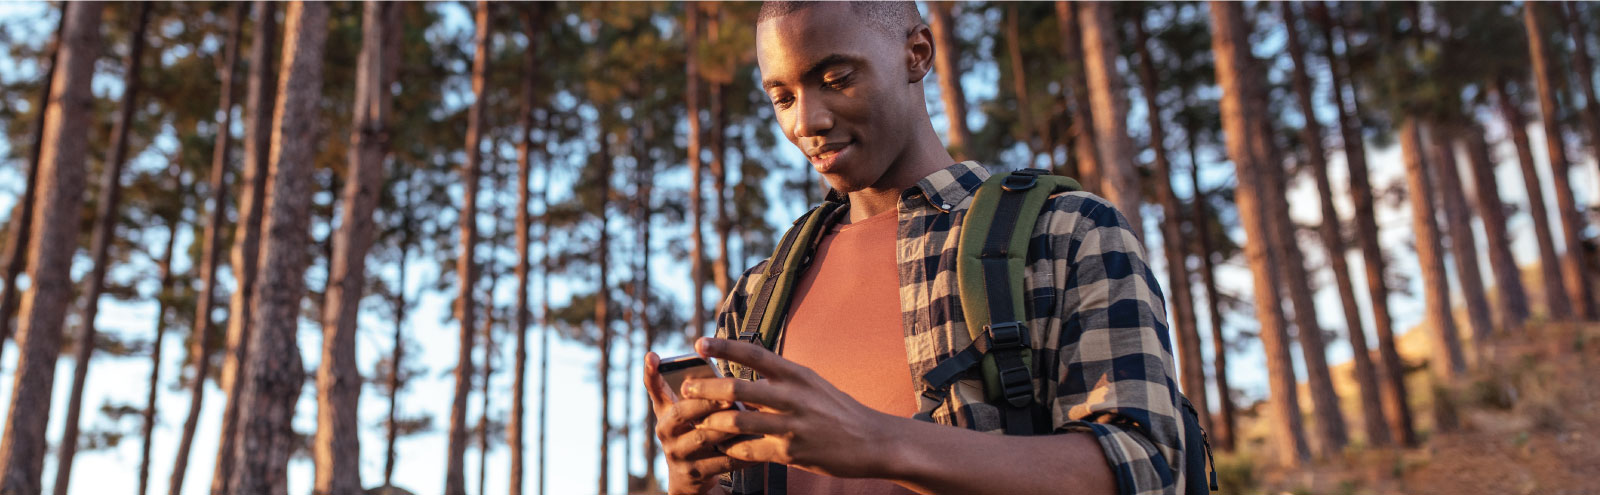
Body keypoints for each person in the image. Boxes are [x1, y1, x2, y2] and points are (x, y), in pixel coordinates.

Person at [643, 2, 1188, 494]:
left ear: (917, 53)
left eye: (836, 79)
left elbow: (1146, 465)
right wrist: (691, 483)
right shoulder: (759, 295)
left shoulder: (1065, 232)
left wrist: (880, 443)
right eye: (782, 97)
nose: (806, 121)